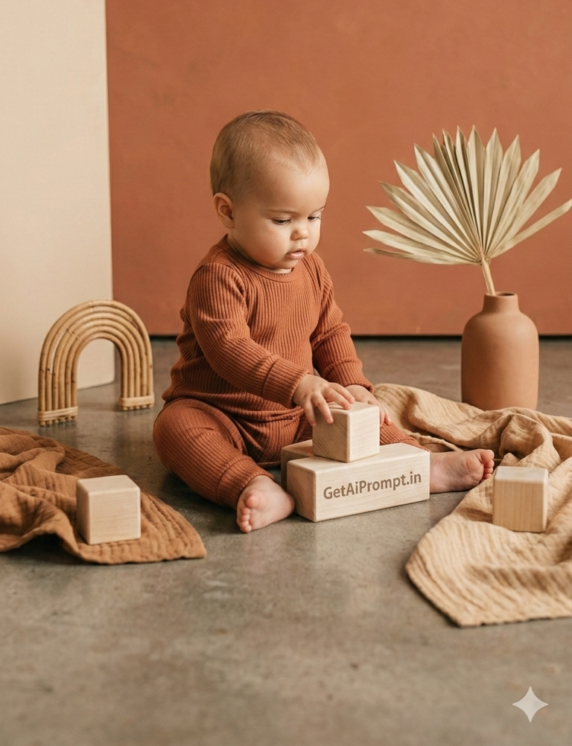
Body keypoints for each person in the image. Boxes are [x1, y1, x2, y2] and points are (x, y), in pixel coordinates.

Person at [153, 111, 494, 533]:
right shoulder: (218, 276)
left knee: (364, 415)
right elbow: (229, 350)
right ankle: (253, 485)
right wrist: (298, 383)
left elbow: (329, 332)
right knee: (175, 428)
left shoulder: (312, 270)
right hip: (224, 415)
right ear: (228, 212)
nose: (302, 234)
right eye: (282, 220)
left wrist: (352, 384)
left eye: (314, 217)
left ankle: (419, 466)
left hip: (298, 417)